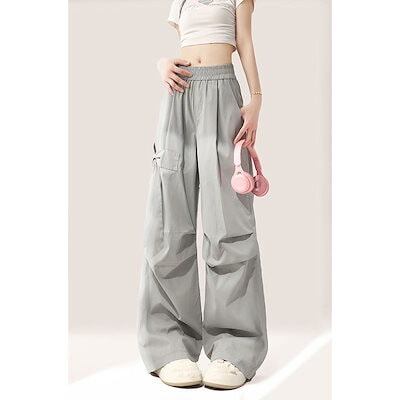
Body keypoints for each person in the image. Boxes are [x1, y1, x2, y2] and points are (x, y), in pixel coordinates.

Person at [137, 0, 268, 390]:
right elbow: (183, 47)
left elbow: (244, 41)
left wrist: (256, 98)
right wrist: (161, 65)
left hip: (223, 94)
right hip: (178, 96)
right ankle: (170, 346)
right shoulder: (179, 1)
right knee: (168, 223)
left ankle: (235, 347)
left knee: (229, 225)